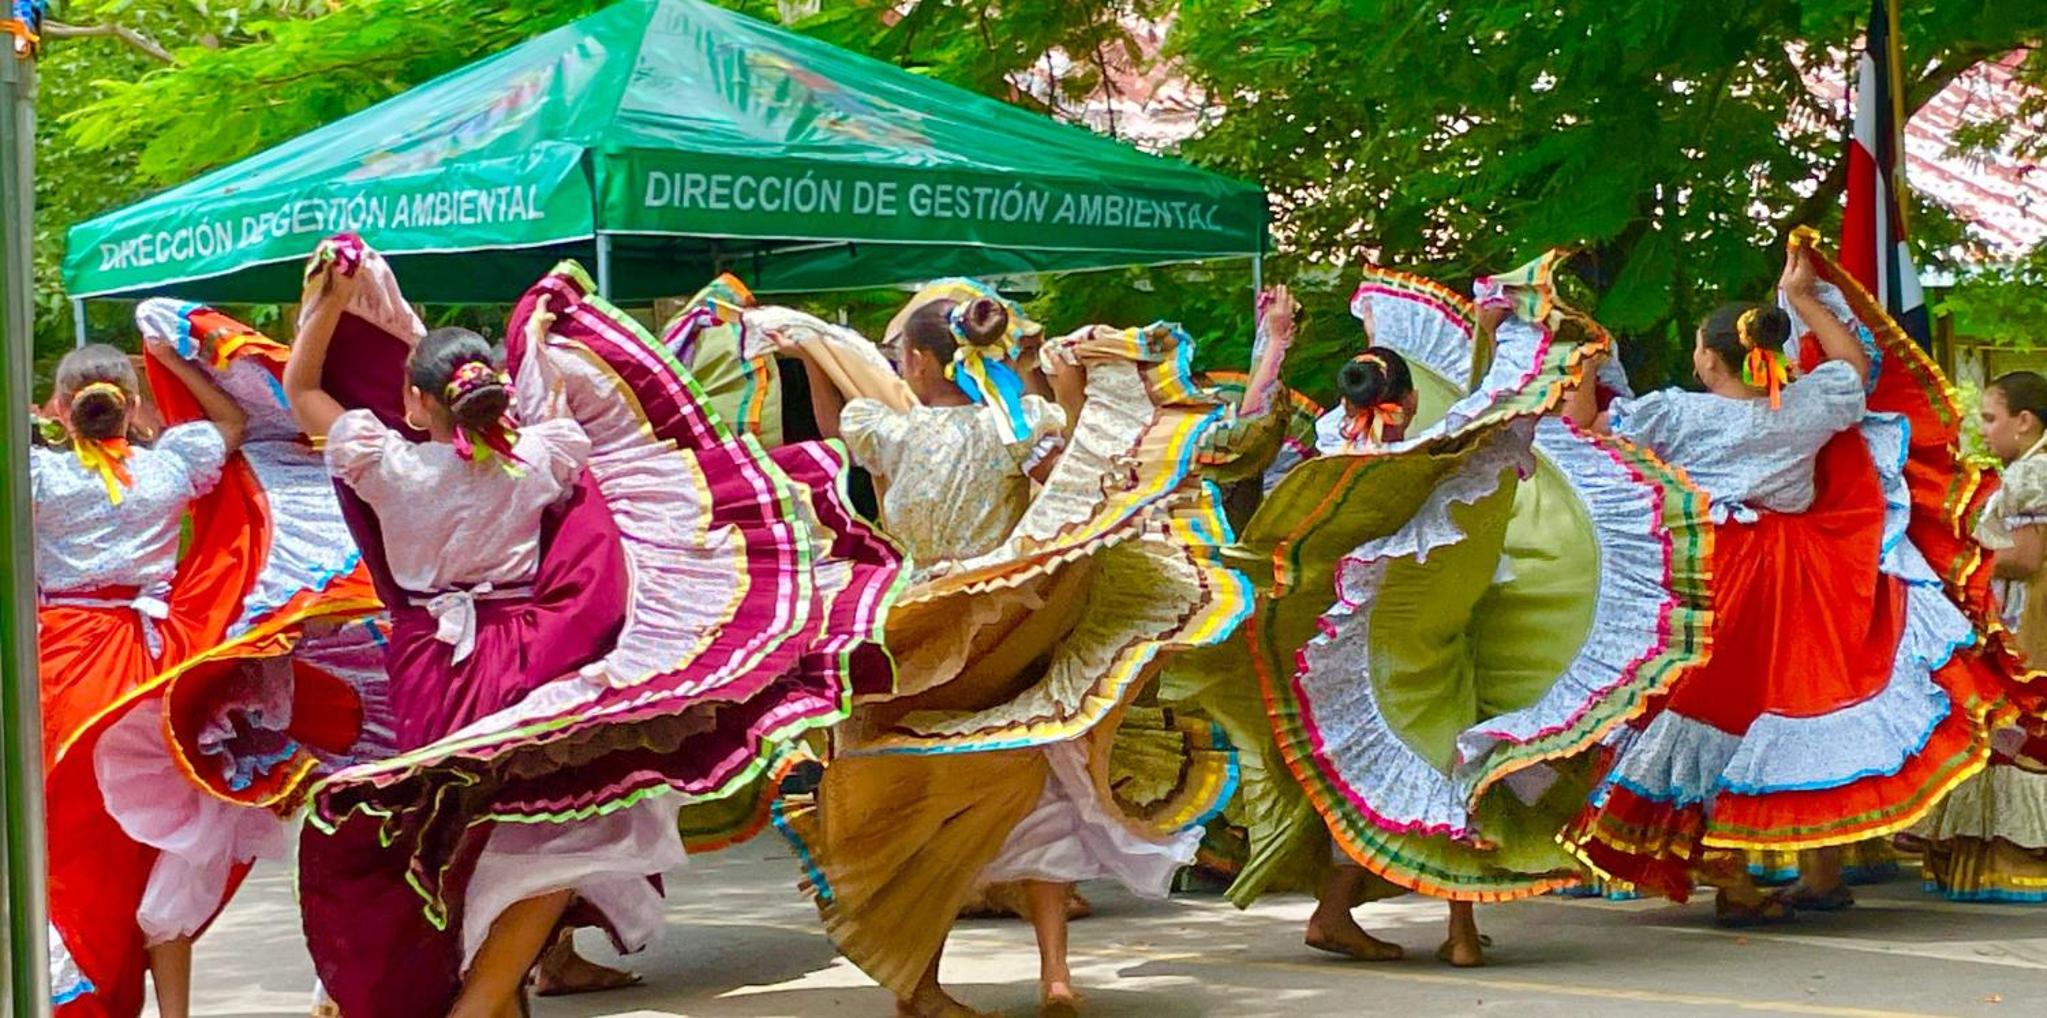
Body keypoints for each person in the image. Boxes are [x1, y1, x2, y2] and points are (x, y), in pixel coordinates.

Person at [290, 239, 899, 1018]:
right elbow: (556, 424)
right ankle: (484, 1003)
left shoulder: (382, 463)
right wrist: (525, 346)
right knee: (552, 840)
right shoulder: (542, 457)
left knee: (456, 837)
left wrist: (328, 303)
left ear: (411, 403)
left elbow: (302, 386)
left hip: (431, 665)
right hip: (530, 655)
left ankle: (461, 999)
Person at [761, 282, 1242, 1016]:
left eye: (903, 356)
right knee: (1039, 792)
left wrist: (813, 359)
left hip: (917, 628)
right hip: (1008, 621)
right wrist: (1063, 381)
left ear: (920, 363)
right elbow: (1076, 478)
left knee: (921, 813)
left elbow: (838, 428)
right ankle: (1054, 975)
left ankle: (920, 982)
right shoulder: (1018, 427)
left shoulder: (896, 431)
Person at [1563, 235, 2015, 923]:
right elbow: (1853, 365)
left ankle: (1733, 877)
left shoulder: (1676, 413)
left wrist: (1583, 363)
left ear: (1708, 359)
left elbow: (1584, 431)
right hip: (1801, 574)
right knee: (1800, 703)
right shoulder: (1806, 405)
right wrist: (1804, 296)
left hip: (1712, 571)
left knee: (1707, 711)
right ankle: (1816, 872)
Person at [36, 340, 263, 1018]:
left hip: (66, 667)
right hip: (155, 667)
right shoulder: (168, 468)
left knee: (75, 845)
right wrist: (173, 360)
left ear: (59, 411)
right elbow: (233, 424)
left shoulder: (39, 479)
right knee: (163, 847)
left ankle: (81, 994)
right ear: (131, 405)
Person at [1911, 371, 2047, 901]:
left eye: (1990, 419)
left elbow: (2029, 557)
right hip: (2023, 614)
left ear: (2024, 420)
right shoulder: (2025, 469)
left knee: (2022, 726)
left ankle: (2012, 859)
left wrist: (1958, 554)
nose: (1984, 431)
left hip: (2031, 620)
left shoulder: (2034, 473)